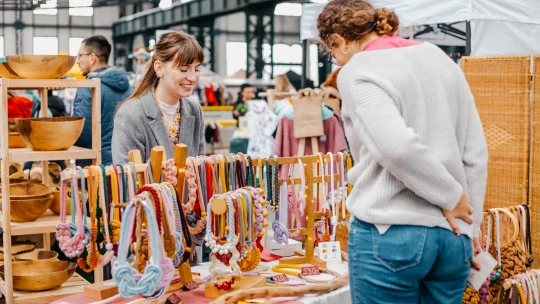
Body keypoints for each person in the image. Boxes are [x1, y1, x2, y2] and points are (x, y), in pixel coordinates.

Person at [317, 1, 488, 303]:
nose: (337, 62)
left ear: (338, 40)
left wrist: (450, 196)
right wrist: (469, 222)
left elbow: (396, 147)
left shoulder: (358, 70)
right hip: (453, 238)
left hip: (391, 231)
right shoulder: (437, 56)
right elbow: (474, 151)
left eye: (333, 55)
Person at [112, 30, 205, 163]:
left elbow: (200, 168)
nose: (192, 77)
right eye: (183, 70)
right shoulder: (131, 114)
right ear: (159, 68)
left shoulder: (195, 111)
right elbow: (125, 177)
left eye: (197, 69)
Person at [73, 35, 132, 166]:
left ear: (92, 57)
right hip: (124, 164)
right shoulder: (128, 87)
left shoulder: (88, 87)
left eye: (80, 56)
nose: (77, 61)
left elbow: (82, 132)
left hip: (94, 165)